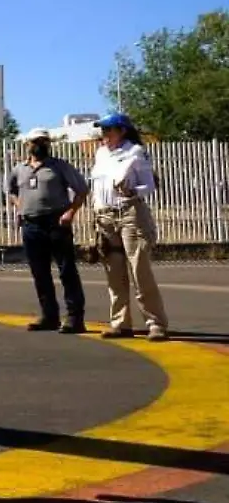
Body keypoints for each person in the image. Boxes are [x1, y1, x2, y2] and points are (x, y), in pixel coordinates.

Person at [88, 112, 168, 341]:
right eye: (102, 130)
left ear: (122, 131)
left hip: (130, 212)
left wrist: (134, 191)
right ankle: (120, 323)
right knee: (113, 272)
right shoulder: (101, 153)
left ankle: (156, 323)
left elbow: (150, 184)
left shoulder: (135, 152)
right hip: (105, 215)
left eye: (108, 129)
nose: (104, 134)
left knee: (139, 270)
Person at [6, 128, 88, 333]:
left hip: (56, 223)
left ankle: (75, 318)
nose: (41, 145)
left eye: (45, 141)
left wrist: (71, 212)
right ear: (28, 145)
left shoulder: (59, 166)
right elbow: (11, 191)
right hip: (31, 225)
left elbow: (82, 189)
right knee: (40, 272)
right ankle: (49, 316)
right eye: (37, 141)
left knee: (66, 270)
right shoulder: (19, 169)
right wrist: (20, 207)